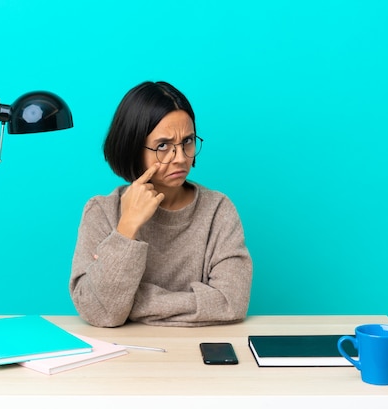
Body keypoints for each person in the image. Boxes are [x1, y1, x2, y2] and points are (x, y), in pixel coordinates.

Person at [69, 81, 252, 327]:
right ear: (133, 148)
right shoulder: (102, 212)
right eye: (163, 146)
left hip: (199, 352)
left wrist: (131, 301)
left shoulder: (218, 210)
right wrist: (126, 229)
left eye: (187, 141)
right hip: (125, 358)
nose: (180, 158)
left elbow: (231, 303)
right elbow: (99, 312)